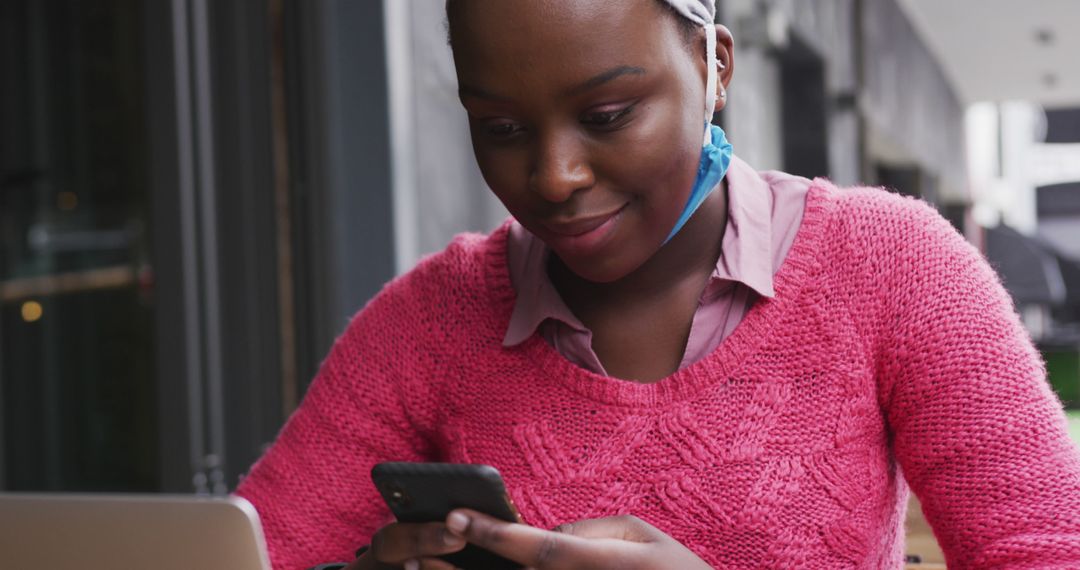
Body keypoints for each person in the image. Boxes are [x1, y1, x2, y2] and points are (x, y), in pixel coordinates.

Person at [235, 0, 1080, 568]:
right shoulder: (431, 321)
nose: (554, 175)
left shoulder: (894, 268)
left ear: (713, 65)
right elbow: (253, 547)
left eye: (606, 117)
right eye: (499, 127)